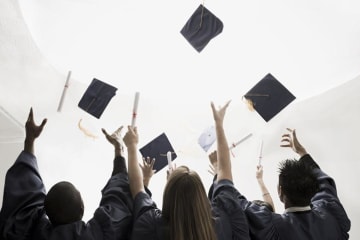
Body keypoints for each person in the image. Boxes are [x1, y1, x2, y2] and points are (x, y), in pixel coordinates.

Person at [123, 101, 250, 240]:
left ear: (169, 194)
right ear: (201, 195)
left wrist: (131, 146)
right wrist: (219, 123)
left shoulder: (151, 226)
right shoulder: (224, 221)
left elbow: (137, 190)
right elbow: (225, 171)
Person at [0, 108, 133, 240]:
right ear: (82, 208)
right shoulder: (97, 236)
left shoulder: (20, 229)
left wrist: (29, 140)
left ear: (44, 209)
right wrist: (119, 147)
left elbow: (25, 188)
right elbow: (118, 196)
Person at [238, 128, 351, 239]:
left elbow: (233, 202)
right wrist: (302, 152)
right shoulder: (331, 213)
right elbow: (324, 183)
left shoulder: (273, 227)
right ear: (313, 190)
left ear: (280, 192)